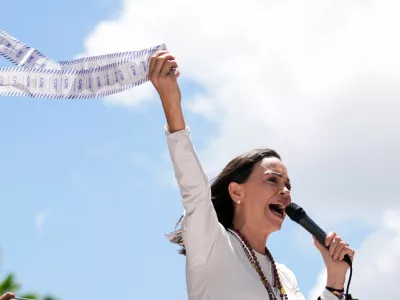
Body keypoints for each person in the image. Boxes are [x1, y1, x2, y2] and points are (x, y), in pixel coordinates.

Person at [149, 50, 355, 300]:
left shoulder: (285, 277)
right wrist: (171, 102)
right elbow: (193, 188)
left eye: (288, 185)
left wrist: (335, 278)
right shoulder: (212, 244)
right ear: (237, 191)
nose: (286, 192)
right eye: (273, 180)